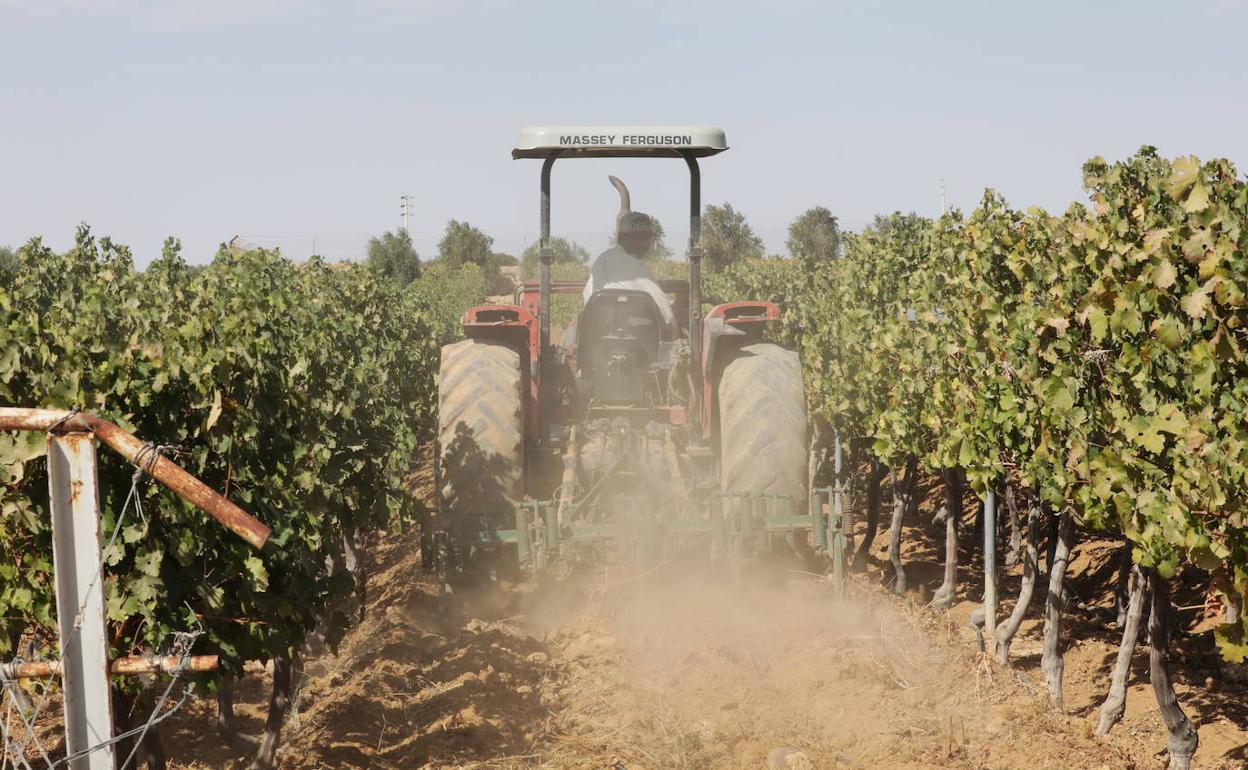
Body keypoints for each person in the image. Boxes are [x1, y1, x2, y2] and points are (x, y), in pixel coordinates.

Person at [582, 176, 676, 329]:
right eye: (638, 239)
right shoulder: (639, 269)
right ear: (623, 238)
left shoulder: (601, 261)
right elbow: (668, 316)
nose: (645, 245)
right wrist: (676, 338)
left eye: (646, 239)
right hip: (640, 345)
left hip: (599, 338)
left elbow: (588, 297)